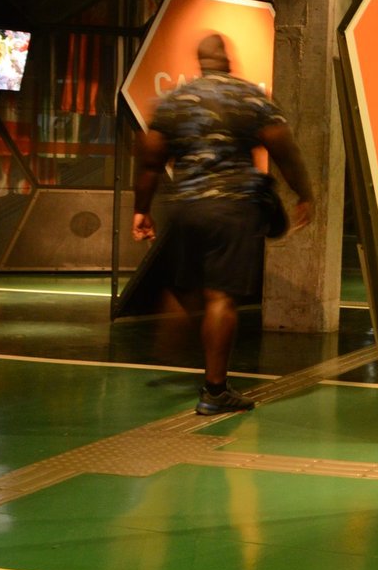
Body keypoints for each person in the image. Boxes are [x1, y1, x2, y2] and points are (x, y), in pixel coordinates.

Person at [132, 32, 313, 415]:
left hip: (185, 207)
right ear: (227, 60)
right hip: (233, 208)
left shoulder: (174, 101)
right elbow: (284, 148)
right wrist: (305, 193)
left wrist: (141, 210)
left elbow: (149, 162)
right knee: (221, 297)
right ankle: (215, 392)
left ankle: (178, 339)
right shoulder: (248, 97)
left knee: (188, 286)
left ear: (200, 62)